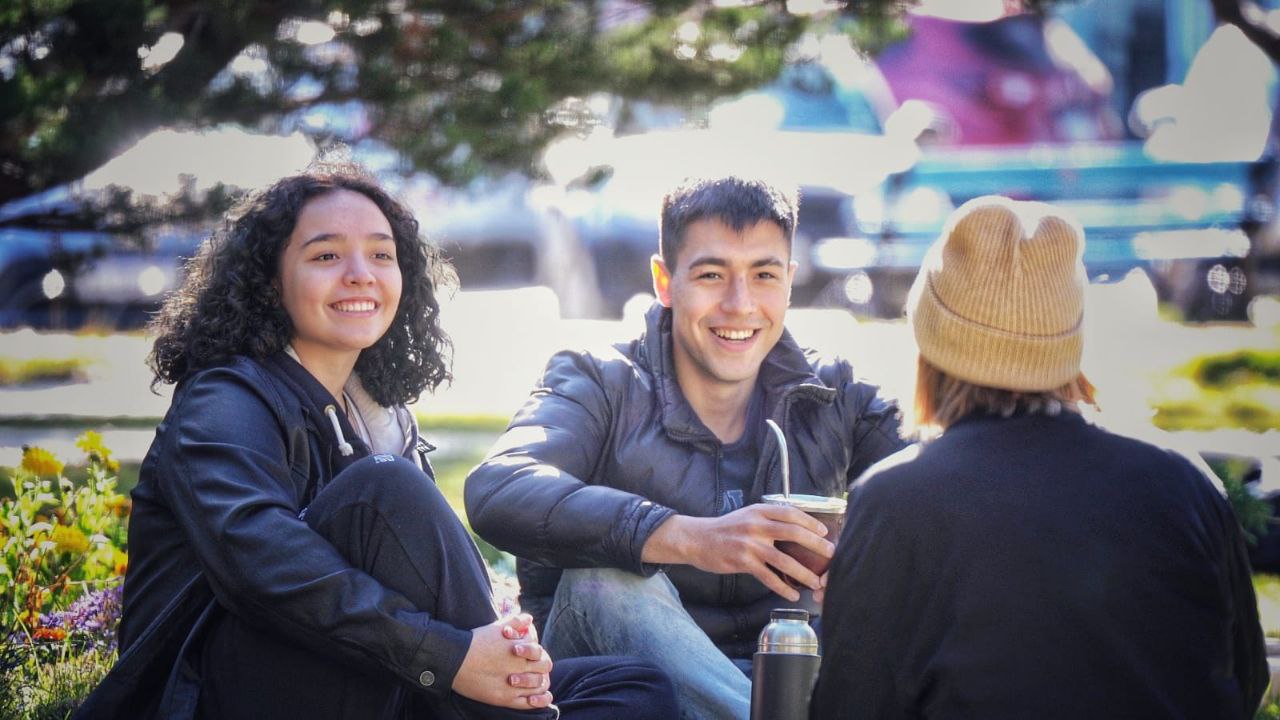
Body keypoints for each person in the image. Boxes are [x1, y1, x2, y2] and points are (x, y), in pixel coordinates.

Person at [76, 163, 678, 720]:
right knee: (381, 489)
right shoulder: (226, 399)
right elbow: (262, 564)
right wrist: (453, 656)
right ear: (269, 280)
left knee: (634, 688)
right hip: (214, 689)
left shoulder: (376, 418)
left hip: (366, 671)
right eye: (326, 255)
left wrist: (492, 648)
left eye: (381, 254)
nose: (360, 273)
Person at [811, 195, 1269, 719]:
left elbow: (851, 705)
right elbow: (1245, 680)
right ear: (1069, 342)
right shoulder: (1187, 482)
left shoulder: (895, 501)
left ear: (929, 345)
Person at [464, 175, 906, 718]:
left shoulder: (839, 394)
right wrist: (684, 537)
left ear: (789, 282)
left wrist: (872, 560)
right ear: (665, 280)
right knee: (605, 582)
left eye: (764, 275)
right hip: (628, 686)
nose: (740, 304)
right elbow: (499, 486)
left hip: (793, 675)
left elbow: (946, 490)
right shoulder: (599, 379)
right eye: (712, 274)